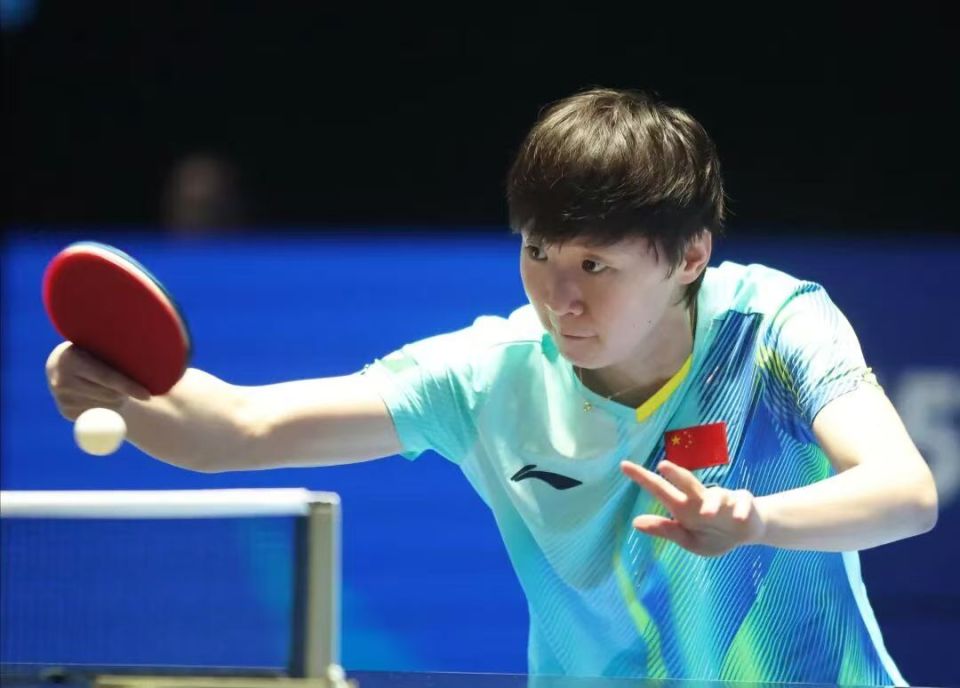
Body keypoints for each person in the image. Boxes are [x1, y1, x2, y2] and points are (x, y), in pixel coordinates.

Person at [45, 88, 937, 685]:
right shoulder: (487, 375)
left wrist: (758, 521)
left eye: (595, 265)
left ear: (690, 256)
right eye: (538, 253)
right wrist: (114, 384)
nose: (559, 296)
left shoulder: (773, 326)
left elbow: (905, 493)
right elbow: (237, 429)